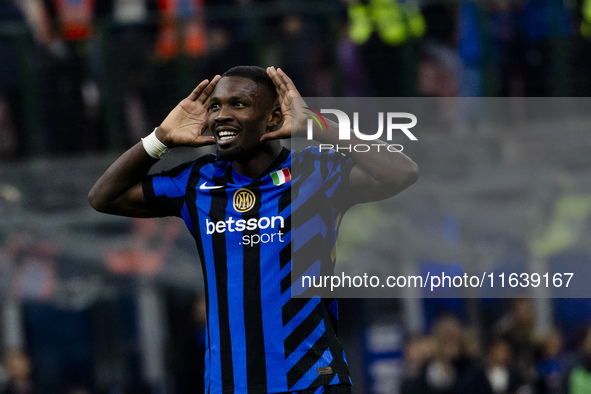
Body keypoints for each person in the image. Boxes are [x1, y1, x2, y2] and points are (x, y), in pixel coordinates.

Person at [88, 65, 419, 393]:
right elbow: (103, 197)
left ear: (273, 117)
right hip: (229, 386)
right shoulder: (198, 181)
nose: (221, 115)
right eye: (215, 106)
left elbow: (402, 172)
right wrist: (159, 139)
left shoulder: (317, 171)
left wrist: (317, 125)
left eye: (239, 104)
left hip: (312, 382)